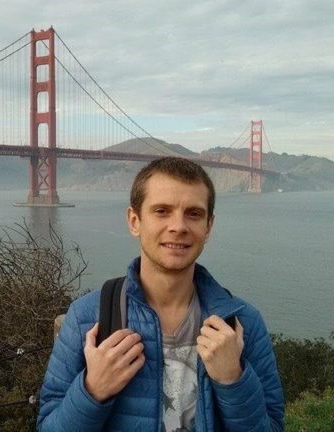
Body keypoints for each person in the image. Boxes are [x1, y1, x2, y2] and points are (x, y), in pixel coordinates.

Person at [37, 157, 284, 431]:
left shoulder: (242, 324)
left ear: (208, 227)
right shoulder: (87, 317)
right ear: (134, 221)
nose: (178, 226)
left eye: (193, 213)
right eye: (162, 211)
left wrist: (233, 380)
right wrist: (92, 390)